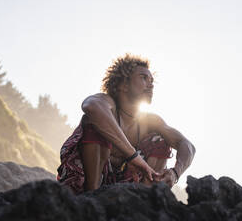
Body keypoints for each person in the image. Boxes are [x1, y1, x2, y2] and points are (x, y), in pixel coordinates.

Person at [57, 53, 195, 194]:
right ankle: (91, 200)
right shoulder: (107, 103)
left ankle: (144, 201)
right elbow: (92, 107)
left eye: (152, 80)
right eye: (143, 77)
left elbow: (187, 145)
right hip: (84, 185)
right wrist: (135, 158)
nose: (151, 84)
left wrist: (175, 173)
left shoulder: (150, 121)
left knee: (159, 141)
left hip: (124, 191)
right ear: (123, 85)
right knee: (94, 124)